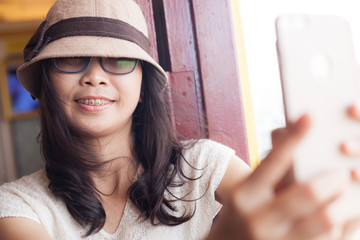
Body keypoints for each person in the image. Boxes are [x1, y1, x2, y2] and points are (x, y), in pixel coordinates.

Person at [0, 0, 360, 239]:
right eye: (73, 57)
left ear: (143, 85)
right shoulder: (17, 207)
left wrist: (308, 208)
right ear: (47, 82)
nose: (95, 76)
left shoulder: (204, 164)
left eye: (119, 60)